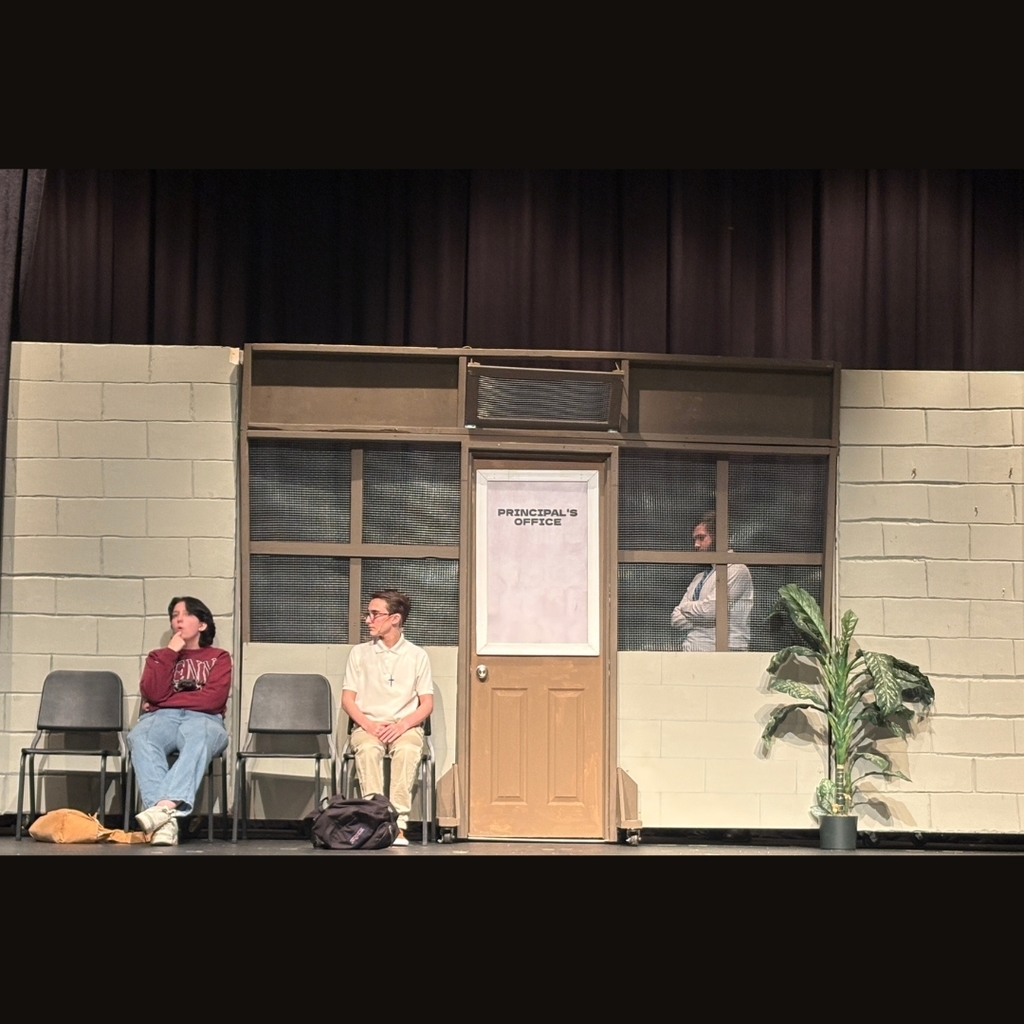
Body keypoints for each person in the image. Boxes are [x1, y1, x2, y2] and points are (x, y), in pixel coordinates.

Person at [126, 596, 231, 846]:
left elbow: (213, 700)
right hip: (161, 718)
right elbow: (151, 692)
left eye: (185, 614)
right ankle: (167, 820)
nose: (178, 619)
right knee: (139, 736)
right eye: (174, 615)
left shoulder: (219, 657)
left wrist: (165, 699)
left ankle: (160, 813)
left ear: (202, 624)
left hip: (204, 718)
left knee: (200, 737)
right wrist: (171, 652)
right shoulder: (159, 656)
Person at [341, 589, 433, 847]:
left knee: (406, 751)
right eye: (368, 614)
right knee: (368, 750)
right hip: (368, 724)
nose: (368, 619)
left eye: (374, 614)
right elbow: (348, 699)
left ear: (395, 618)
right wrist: (369, 725)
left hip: (405, 726)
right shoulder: (359, 654)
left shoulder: (417, 656)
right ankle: (375, 821)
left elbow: (427, 704)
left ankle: (397, 825)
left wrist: (402, 725)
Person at [671, 513, 753, 651]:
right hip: (691, 652)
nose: (696, 545)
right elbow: (675, 619)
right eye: (695, 539)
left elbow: (710, 611)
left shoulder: (736, 569)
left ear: (718, 537)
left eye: (701, 538)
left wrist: (686, 607)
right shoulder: (699, 578)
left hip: (723, 654)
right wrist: (702, 616)